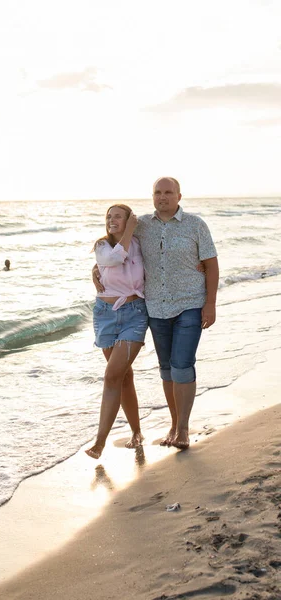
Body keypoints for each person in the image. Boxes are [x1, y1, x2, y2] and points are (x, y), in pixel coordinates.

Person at [93, 178, 218, 451]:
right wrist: (97, 270)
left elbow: (210, 264)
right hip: (156, 309)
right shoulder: (142, 226)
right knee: (166, 368)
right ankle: (173, 425)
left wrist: (210, 303)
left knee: (182, 364)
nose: (163, 197)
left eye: (168, 192)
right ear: (152, 196)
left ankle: (183, 429)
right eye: (158, 192)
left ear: (178, 195)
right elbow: (117, 251)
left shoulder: (196, 225)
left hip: (190, 304)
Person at [86, 204, 149, 460]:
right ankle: (136, 432)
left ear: (129, 220)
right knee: (123, 377)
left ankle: (99, 442)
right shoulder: (102, 246)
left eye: (118, 216)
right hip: (105, 315)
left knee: (112, 375)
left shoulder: (139, 243)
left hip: (134, 313)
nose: (112, 220)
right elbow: (113, 258)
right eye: (109, 216)